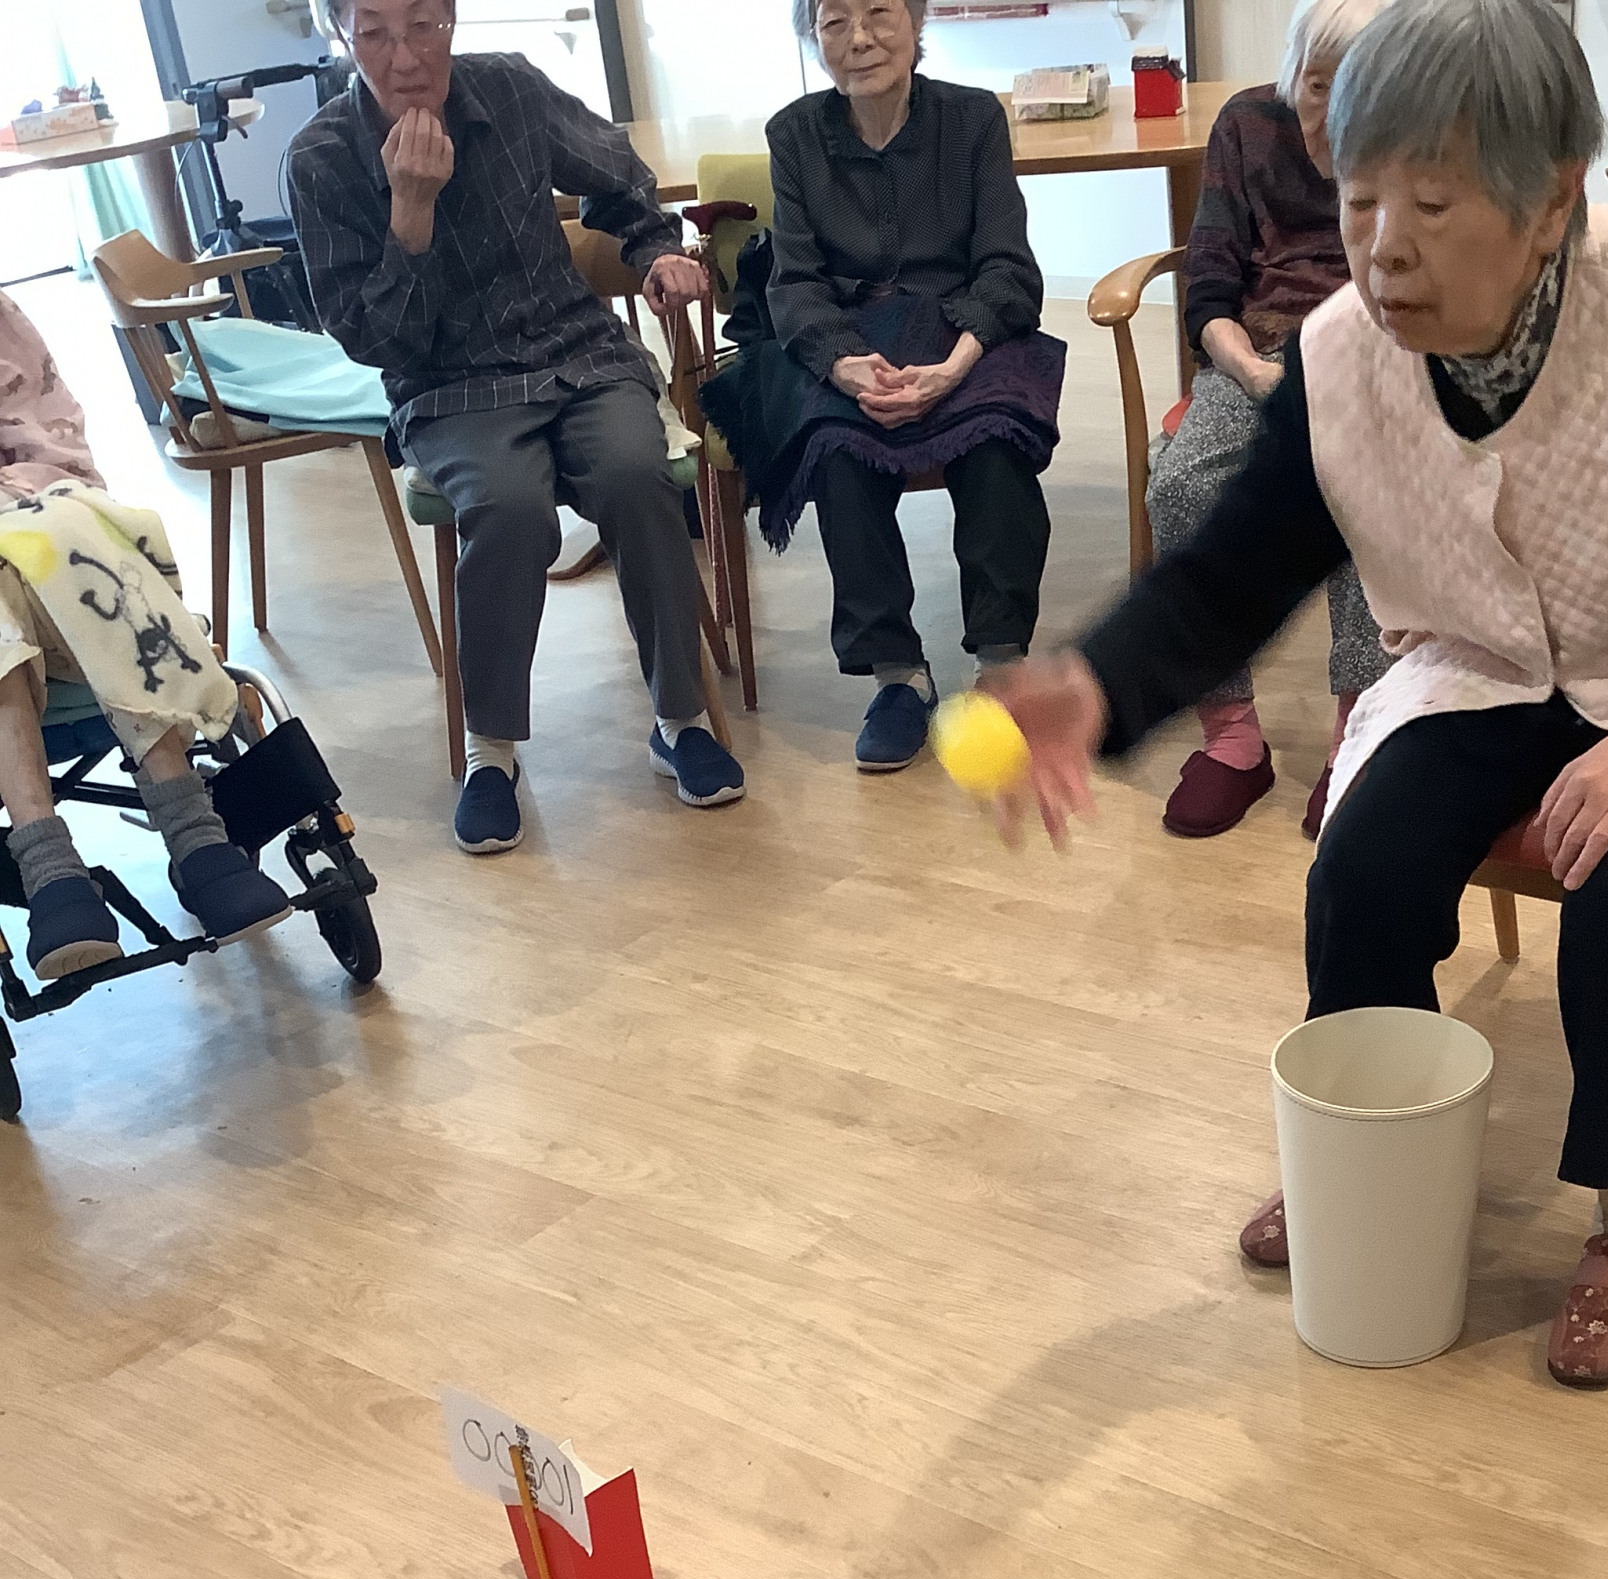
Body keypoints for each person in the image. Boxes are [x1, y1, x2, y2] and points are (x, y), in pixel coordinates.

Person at [988, 0, 1608, 1388]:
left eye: (1431, 203)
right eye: (1360, 200)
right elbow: (1235, 571)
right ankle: (1376, 1138)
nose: (1384, 247)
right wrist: (1094, 683)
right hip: (1492, 658)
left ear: (1552, 203)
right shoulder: (1342, 352)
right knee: (1362, 865)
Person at [290, 0, 744, 853]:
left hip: (577, 353)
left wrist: (653, 249)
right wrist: (410, 214)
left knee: (635, 473)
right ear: (340, 36)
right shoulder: (320, 159)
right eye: (374, 33)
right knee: (507, 508)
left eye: (423, 26)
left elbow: (617, 174)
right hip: (450, 385)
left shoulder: (510, 90)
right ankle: (490, 753)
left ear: (452, 19)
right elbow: (378, 343)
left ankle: (680, 720)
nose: (404, 57)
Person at [746, 0, 1061, 773]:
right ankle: (897, 676)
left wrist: (956, 364)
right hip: (853, 334)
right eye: (833, 22)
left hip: (963, 325)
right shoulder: (794, 135)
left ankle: (1001, 662)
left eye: (880, 12)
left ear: (918, 23)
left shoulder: (973, 120)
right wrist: (842, 363)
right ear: (814, 39)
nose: (859, 39)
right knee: (836, 446)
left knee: (995, 442)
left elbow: (1007, 265)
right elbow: (795, 282)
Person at [1149, 0, 1393, 840]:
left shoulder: (1412, 135)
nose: (1334, 109)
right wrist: (1251, 369)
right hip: (1257, 354)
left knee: (1364, 493)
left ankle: (1358, 732)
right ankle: (1231, 739)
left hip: (1374, 354)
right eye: (1319, 85)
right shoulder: (1247, 124)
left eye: (1358, 85)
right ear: (1293, 75)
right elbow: (1210, 282)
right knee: (1180, 485)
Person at [0, 290, 290, 980]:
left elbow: (52, 444)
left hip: (39, 531)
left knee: (68, 527)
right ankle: (50, 870)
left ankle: (195, 835)